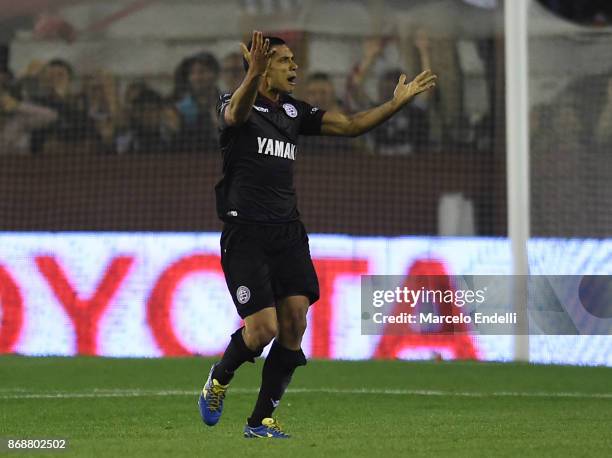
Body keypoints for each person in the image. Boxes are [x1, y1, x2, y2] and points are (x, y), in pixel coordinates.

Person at [198, 31, 436, 438]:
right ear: (262, 64)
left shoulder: (293, 111)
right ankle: (219, 379)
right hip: (246, 234)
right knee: (263, 330)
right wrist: (251, 76)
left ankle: (260, 421)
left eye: (294, 60)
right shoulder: (234, 103)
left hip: (288, 233)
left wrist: (395, 104)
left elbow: (348, 125)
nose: (294, 67)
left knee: (294, 323)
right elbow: (234, 116)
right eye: (285, 60)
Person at [173, 52, 221, 152]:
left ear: (215, 74)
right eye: (192, 73)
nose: (197, 77)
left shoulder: (228, 104)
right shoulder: (179, 109)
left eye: (202, 71)